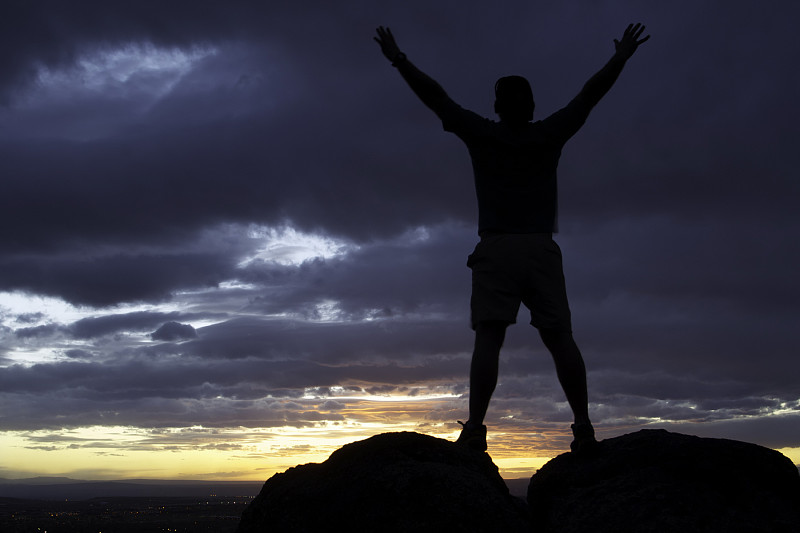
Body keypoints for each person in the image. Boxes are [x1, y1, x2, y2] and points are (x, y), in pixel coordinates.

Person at [374, 24, 649, 453]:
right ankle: (583, 427)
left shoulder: (482, 134)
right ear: (533, 105)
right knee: (560, 339)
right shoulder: (548, 134)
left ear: (498, 106)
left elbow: (436, 97)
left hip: (497, 247)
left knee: (489, 339)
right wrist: (620, 58)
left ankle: (476, 429)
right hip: (540, 247)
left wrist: (399, 59)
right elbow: (589, 95)